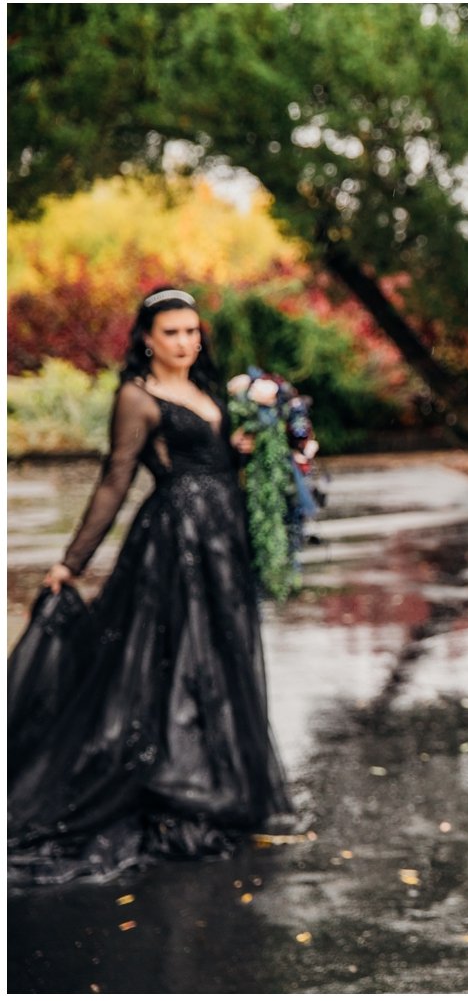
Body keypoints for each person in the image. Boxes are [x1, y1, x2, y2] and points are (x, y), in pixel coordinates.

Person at [8, 286, 292, 886]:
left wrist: (251, 451)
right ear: (146, 338)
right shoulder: (136, 397)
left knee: (220, 659)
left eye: (193, 331)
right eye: (172, 333)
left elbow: (215, 462)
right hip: (176, 543)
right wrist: (73, 561)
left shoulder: (205, 390)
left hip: (223, 541)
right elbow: (115, 479)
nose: (186, 342)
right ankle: (172, 787)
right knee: (173, 663)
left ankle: (218, 779)